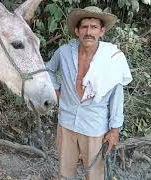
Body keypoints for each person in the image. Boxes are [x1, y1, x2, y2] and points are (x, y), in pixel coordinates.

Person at [46, 6, 133, 180]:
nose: (89, 32)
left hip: (94, 127)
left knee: (95, 175)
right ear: (77, 31)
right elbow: (48, 70)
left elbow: (117, 96)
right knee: (65, 172)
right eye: (84, 27)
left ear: (102, 31)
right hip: (67, 123)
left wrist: (115, 130)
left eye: (94, 27)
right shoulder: (64, 52)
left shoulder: (112, 58)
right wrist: (56, 91)